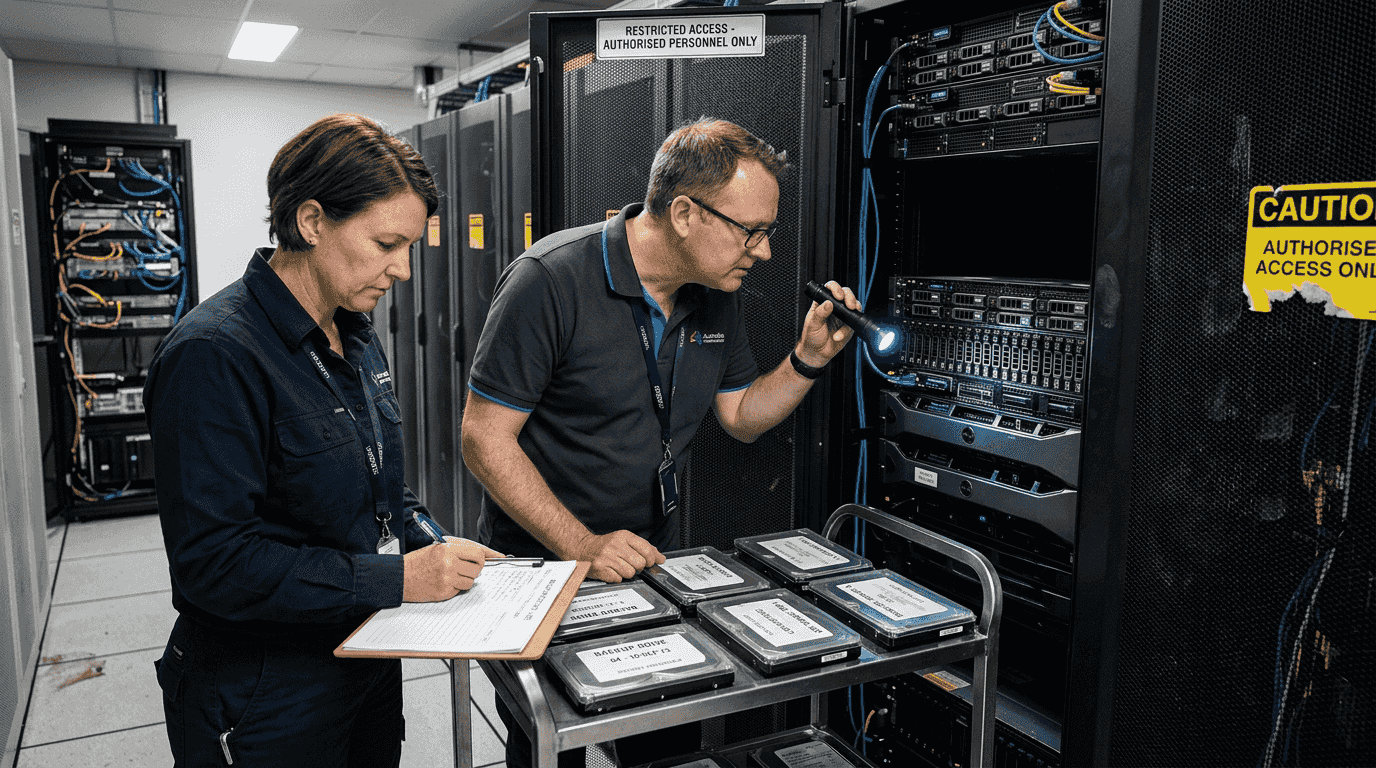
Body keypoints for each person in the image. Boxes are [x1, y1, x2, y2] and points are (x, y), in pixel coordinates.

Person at [461, 117, 862, 767]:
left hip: (650, 563)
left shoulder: (713, 297)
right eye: (750, 231)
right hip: (541, 568)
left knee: (665, 737)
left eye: (768, 232)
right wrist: (582, 546)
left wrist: (808, 359)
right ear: (684, 213)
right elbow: (484, 439)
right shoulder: (550, 279)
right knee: (547, 746)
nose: (761, 252)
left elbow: (740, 416)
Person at [146, 113, 498, 767]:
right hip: (262, 694)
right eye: (386, 243)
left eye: (410, 247)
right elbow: (214, 567)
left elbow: (375, 482)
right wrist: (394, 579)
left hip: (362, 660)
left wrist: (433, 544)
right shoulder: (214, 355)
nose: (403, 270)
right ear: (311, 222)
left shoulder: (353, 333)